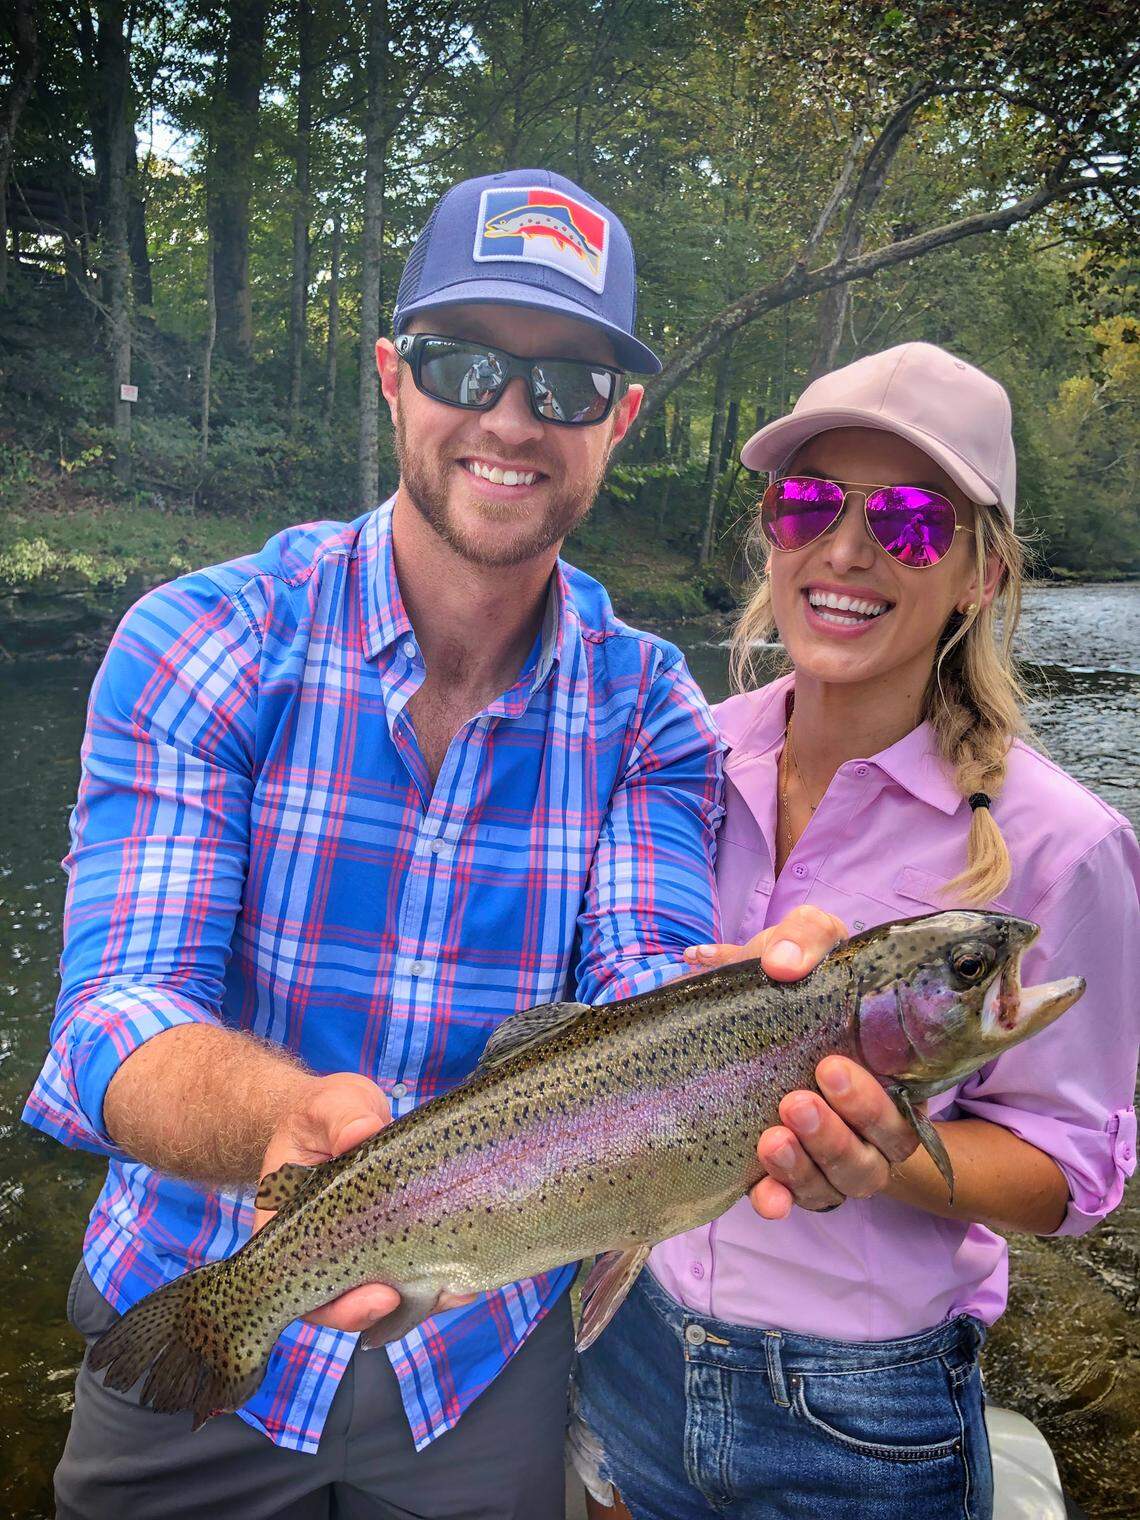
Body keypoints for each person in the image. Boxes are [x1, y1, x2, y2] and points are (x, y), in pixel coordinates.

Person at [23, 165, 783, 1520]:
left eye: (567, 384)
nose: (512, 417)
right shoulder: (204, 640)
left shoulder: (652, 707)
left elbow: (639, 986)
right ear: (392, 377)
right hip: (197, 1301)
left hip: (477, 1361)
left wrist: (771, 1024)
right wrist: (281, 1122)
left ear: (620, 420)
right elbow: (115, 1017)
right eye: (463, 361)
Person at [571, 342, 1140, 1520]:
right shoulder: (675, 754)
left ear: (981, 572)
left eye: (913, 522)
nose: (846, 549)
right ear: (772, 533)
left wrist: (891, 1158)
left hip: (864, 1412)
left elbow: (1070, 1179)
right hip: (631, 1342)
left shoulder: (1067, 844)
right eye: (810, 501)